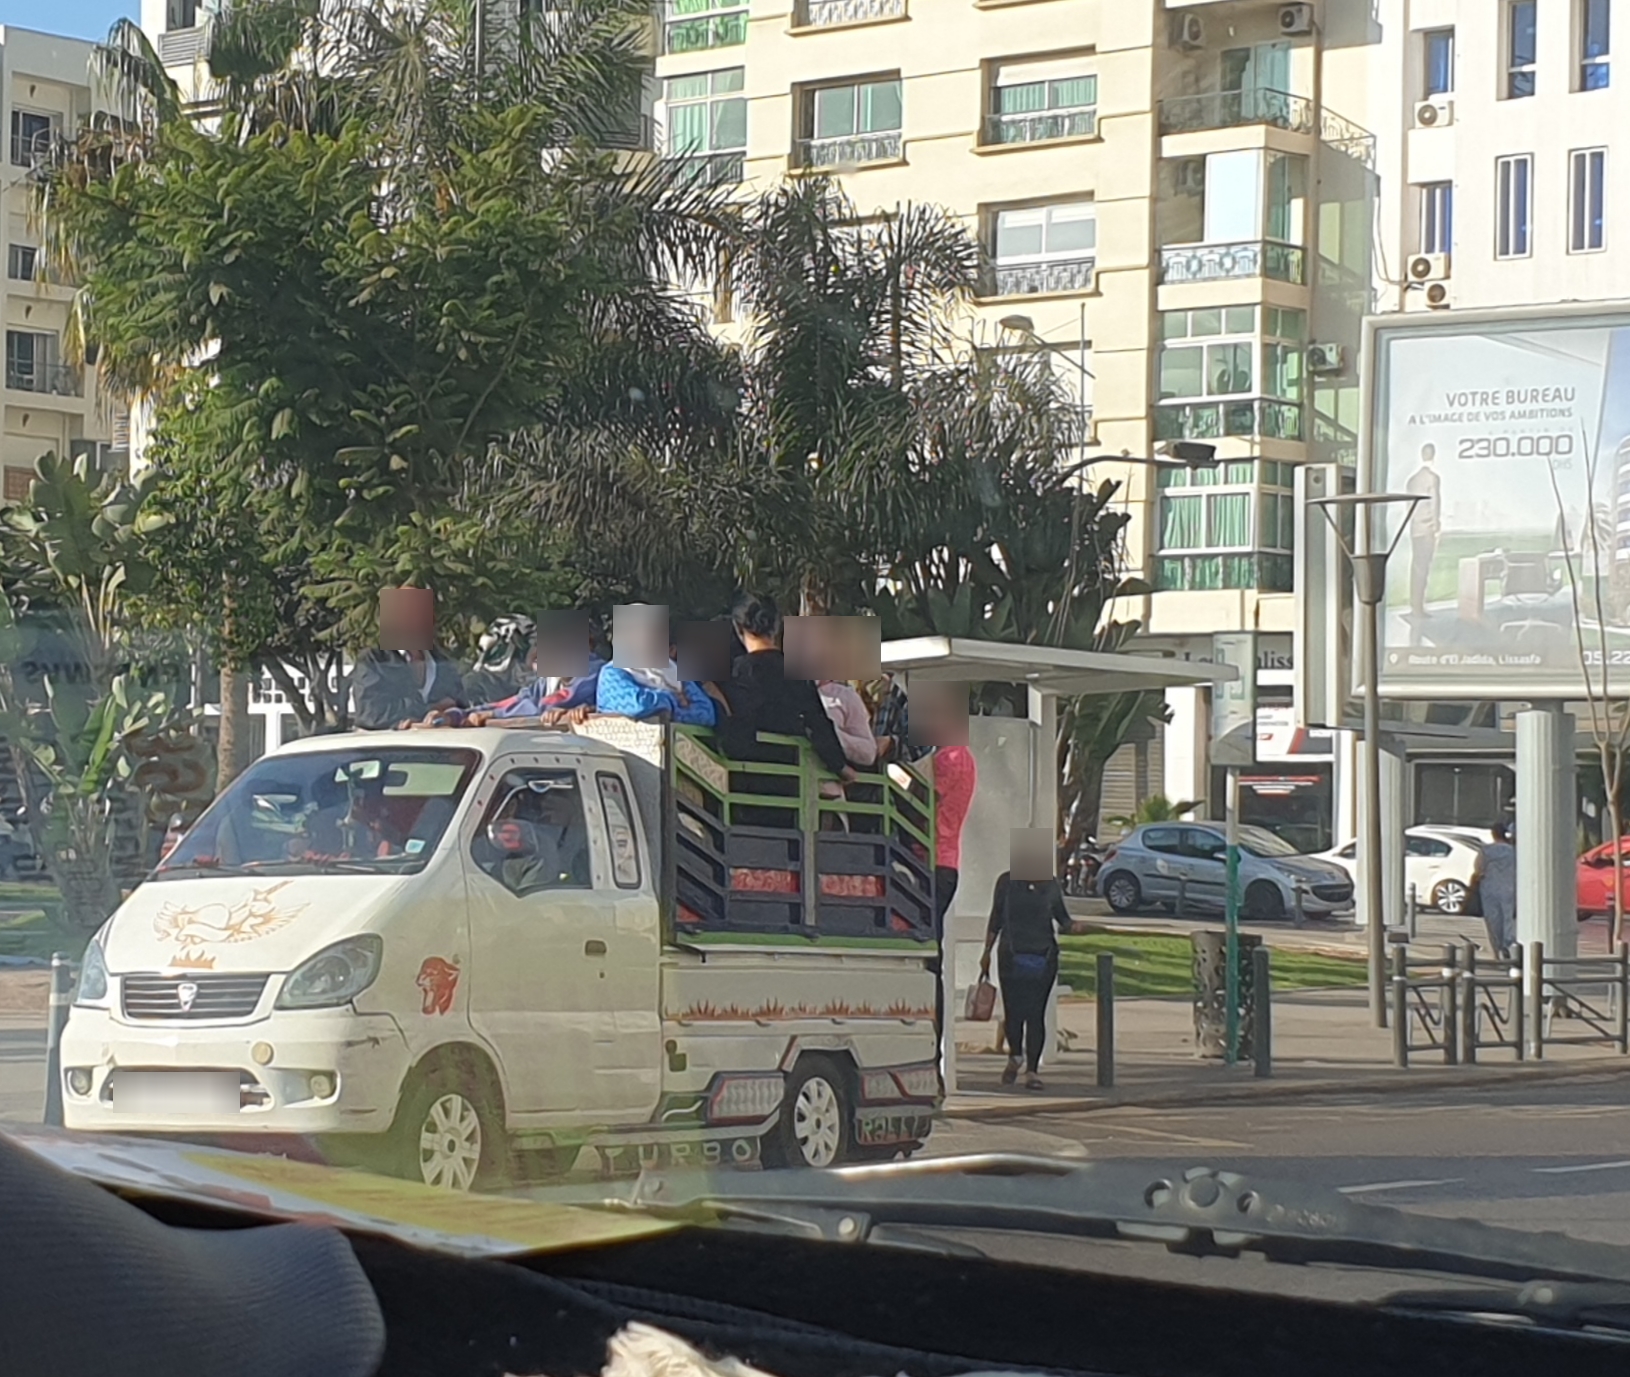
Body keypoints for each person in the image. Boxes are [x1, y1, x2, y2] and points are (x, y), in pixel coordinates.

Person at [979, 834, 1071, 1092]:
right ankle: (1015, 1055)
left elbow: (1063, 919)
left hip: (1043, 956)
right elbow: (995, 919)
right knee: (1014, 1011)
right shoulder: (1006, 882)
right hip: (1011, 954)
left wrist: (1077, 927)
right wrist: (986, 951)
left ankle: (1031, 1068)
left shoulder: (1050, 886)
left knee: (1035, 1013)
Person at [352, 588, 466, 730]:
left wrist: (449, 716)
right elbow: (371, 714)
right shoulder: (373, 660)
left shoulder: (442, 662)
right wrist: (432, 708)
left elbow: (460, 705)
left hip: (439, 747)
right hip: (385, 748)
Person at [1405, 442, 1441, 620]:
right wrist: (1436, 526)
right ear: (1433, 455)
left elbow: (1408, 507)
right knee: (1423, 568)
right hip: (1426, 529)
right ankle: (1418, 608)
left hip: (1415, 528)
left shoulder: (1412, 480)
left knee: (1416, 567)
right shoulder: (1432, 478)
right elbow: (1434, 503)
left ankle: (1415, 606)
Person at [1474, 820, 1517, 957]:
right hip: (1510, 888)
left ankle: (1497, 949)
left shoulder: (1486, 851)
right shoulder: (1514, 851)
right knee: (1508, 918)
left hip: (1489, 889)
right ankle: (1508, 944)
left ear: (1493, 834)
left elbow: (1479, 870)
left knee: (1493, 920)